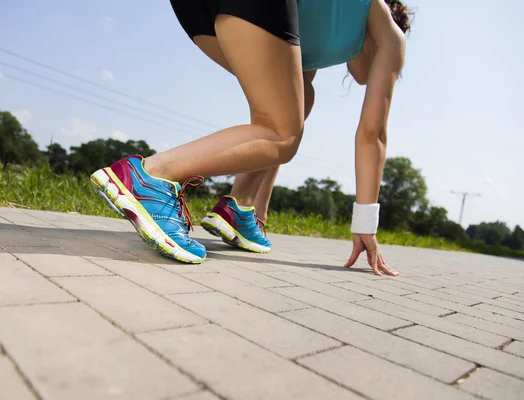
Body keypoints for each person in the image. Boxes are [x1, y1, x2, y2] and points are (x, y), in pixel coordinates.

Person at [91, 0, 409, 276]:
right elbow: (373, 135)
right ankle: (150, 176)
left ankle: (241, 210)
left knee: (294, 106)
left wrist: (259, 212)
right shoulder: (387, 31)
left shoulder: (319, 27)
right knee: (284, 136)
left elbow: (286, 113)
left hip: (199, 11)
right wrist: (366, 223)